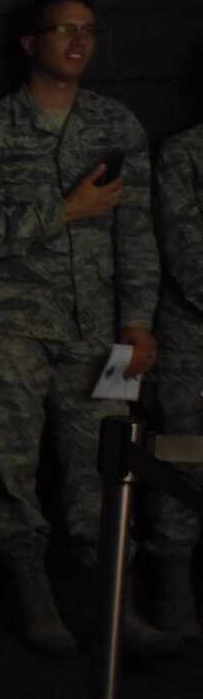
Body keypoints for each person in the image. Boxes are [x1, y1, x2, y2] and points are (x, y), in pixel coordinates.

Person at [0, 0, 174, 659]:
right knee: (7, 467)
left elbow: (137, 234)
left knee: (103, 468)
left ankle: (115, 610)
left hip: (93, 333)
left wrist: (137, 322)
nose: (77, 41)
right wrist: (64, 210)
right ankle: (34, 603)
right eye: (63, 30)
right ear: (29, 43)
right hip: (5, 330)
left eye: (88, 31)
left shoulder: (116, 125)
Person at [142, 118, 203, 645]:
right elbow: (187, 255)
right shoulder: (185, 154)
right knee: (183, 462)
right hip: (191, 344)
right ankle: (173, 591)